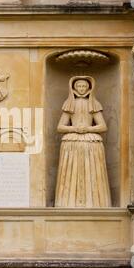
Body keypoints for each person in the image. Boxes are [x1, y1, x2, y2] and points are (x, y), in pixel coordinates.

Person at [55, 76, 112, 208]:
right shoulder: (70, 103)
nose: (81, 89)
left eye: (84, 86)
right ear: (74, 88)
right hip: (72, 141)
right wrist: (75, 128)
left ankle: (96, 202)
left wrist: (87, 128)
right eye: (79, 86)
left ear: (89, 88)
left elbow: (103, 126)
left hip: (90, 141)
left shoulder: (94, 103)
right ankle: (67, 202)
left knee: (91, 175)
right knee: (71, 175)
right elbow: (60, 127)